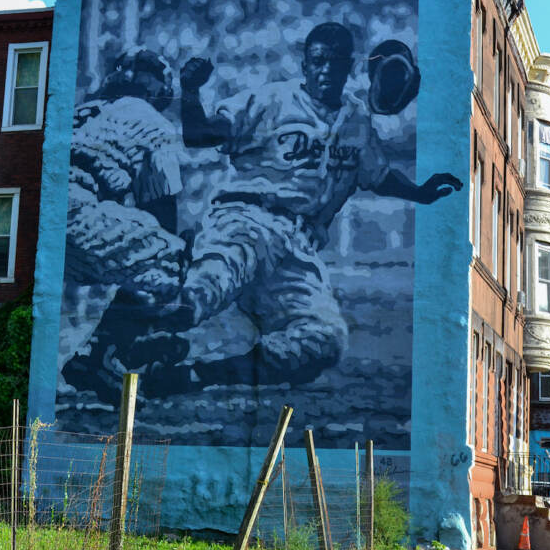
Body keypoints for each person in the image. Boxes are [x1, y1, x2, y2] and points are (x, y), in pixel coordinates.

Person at [137, 21, 461, 395]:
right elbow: (200, 136)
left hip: (298, 246)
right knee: (205, 288)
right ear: (305, 65)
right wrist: (190, 91)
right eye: (318, 61)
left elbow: (378, 173)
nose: (326, 70)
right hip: (245, 219)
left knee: (324, 340)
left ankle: (195, 375)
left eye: (335, 63)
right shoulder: (270, 100)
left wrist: (420, 192)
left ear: (349, 66)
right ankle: (129, 346)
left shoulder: (356, 119)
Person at [59, 49, 188, 405]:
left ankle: (91, 356)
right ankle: (101, 356)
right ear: (160, 88)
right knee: (169, 259)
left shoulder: (79, 112)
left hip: (40, 219)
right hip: (75, 209)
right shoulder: (150, 119)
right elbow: (162, 208)